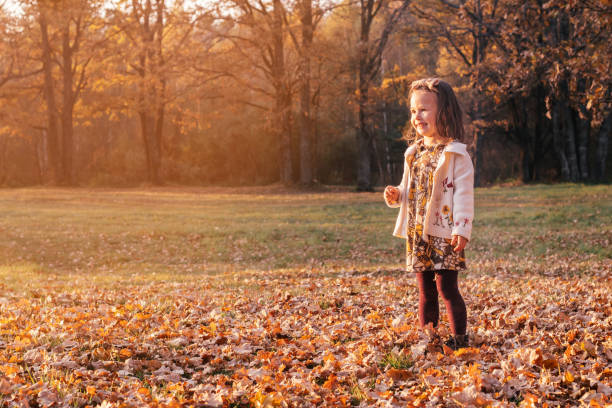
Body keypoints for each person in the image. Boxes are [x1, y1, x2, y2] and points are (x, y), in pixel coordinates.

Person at [383, 77, 474, 350]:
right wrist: (396, 194)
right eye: (413, 111)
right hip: (418, 232)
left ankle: (459, 339)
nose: (417, 116)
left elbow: (464, 196)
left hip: (445, 233)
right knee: (426, 292)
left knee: (447, 289)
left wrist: (462, 229)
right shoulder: (413, 153)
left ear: (443, 112)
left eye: (424, 109)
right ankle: (429, 337)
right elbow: (407, 187)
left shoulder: (456, 155)